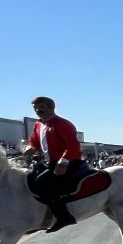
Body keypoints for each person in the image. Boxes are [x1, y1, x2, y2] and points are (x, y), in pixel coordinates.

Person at [27, 96, 88, 233]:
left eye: (41, 107)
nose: (37, 110)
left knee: (42, 182)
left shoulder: (62, 124)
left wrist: (63, 162)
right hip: (51, 163)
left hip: (68, 162)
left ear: (51, 107)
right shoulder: (38, 124)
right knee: (28, 179)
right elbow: (34, 141)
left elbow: (72, 145)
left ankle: (64, 216)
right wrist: (30, 148)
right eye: (35, 108)